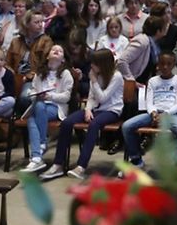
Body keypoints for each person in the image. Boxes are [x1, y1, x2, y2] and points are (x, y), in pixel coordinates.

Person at [42, 48, 127, 180]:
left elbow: (103, 98)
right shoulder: (95, 74)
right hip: (95, 109)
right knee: (66, 122)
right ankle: (58, 164)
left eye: (94, 63)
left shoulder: (117, 76)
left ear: (103, 64)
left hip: (112, 110)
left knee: (94, 125)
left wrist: (94, 81)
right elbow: (91, 96)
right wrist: (87, 109)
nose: (91, 66)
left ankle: (81, 166)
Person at [121, 52, 177, 175]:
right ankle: (136, 160)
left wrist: (165, 114)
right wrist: (153, 113)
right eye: (162, 64)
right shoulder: (153, 81)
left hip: (171, 114)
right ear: (158, 65)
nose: (165, 67)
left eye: (169, 64)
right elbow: (149, 101)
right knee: (127, 126)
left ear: (173, 65)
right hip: (153, 114)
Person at [21, 43, 74, 173]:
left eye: (60, 51)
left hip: (56, 107)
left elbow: (66, 97)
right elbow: (34, 90)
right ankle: (37, 157)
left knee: (37, 110)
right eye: (53, 50)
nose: (56, 51)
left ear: (63, 59)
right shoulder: (40, 73)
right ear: (47, 56)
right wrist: (35, 95)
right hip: (39, 105)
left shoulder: (66, 74)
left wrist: (50, 96)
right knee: (32, 118)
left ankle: (40, 147)